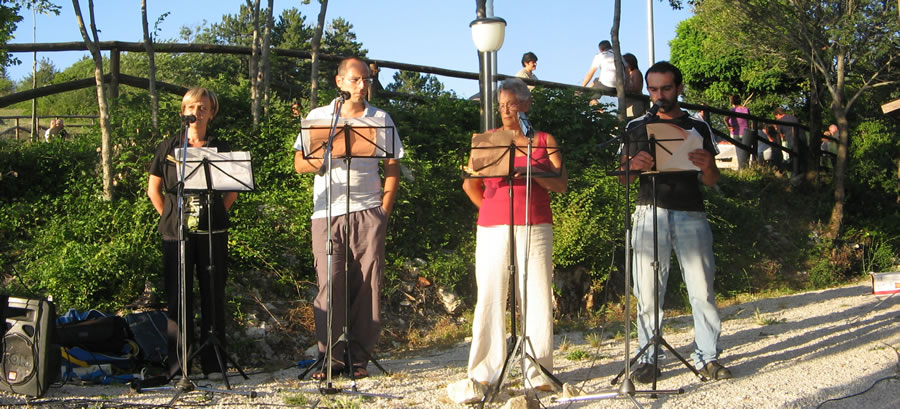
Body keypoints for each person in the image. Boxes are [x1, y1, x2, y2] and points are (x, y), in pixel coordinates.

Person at [619, 61, 732, 384]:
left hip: (690, 212)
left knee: (702, 289)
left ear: (679, 88)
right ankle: (648, 358)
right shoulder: (636, 126)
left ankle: (707, 357)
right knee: (648, 291)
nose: (659, 96)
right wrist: (633, 165)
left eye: (666, 89)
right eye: (653, 89)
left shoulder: (697, 127)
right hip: (648, 212)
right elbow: (623, 179)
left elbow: (711, 180)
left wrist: (708, 164)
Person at [293, 57, 404, 380]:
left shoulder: (380, 118)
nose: (361, 85)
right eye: (355, 80)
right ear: (339, 82)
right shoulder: (318, 118)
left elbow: (393, 164)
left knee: (368, 284)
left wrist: (384, 209)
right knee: (330, 283)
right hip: (327, 212)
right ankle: (331, 358)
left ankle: (359, 359)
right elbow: (300, 163)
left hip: (368, 210)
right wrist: (320, 161)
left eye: (366, 80)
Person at [460, 78, 567, 396]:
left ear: (526, 105)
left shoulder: (545, 140)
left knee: (536, 296)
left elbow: (561, 183)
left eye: (512, 104)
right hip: (493, 226)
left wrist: (534, 173)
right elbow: (469, 184)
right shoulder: (487, 140)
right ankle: (484, 372)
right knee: (491, 295)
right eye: (502, 104)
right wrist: (491, 211)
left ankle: (538, 371)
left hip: (535, 225)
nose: (506, 110)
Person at [147, 87, 238, 380]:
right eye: (191, 107)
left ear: (211, 112)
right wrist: (172, 218)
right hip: (177, 234)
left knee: (213, 294)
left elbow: (232, 190)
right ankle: (180, 364)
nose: (196, 113)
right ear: (182, 112)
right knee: (178, 298)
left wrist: (213, 214)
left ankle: (214, 363)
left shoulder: (221, 148)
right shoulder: (168, 146)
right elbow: (154, 189)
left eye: (202, 108)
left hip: (212, 232)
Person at [581, 40, 616, 105]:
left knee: (589, 97)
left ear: (600, 50)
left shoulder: (600, 56)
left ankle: (603, 114)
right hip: (620, 85)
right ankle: (586, 90)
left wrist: (581, 87)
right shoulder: (619, 56)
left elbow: (590, 74)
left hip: (608, 84)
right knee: (596, 80)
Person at [774, 107, 806, 175]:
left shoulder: (780, 121)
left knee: (794, 158)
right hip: (803, 138)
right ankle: (804, 174)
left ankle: (795, 174)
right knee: (803, 158)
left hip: (792, 140)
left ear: (778, 115)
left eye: (776, 117)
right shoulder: (794, 118)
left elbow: (781, 135)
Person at [726, 95, 753, 169]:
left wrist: (729, 126)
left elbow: (725, 118)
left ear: (732, 102)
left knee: (739, 152)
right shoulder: (746, 110)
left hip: (735, 132)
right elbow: (750, 119)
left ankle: (741, 169)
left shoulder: (732, 110)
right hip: (745, 132)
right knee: (746, 152)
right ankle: (746, 168)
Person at [623, 53, 646, 119]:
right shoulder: (626, 74)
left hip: (635, 102)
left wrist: (625, 88)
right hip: (627, 103)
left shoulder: (635, 72)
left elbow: (637, 88)